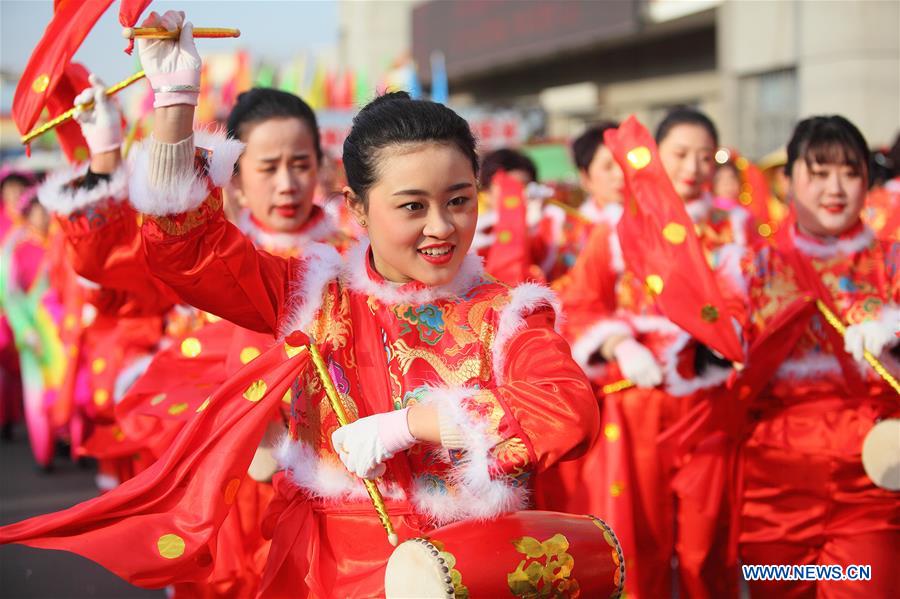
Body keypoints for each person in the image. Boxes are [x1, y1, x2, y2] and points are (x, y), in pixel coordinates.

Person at [0, 12, 599, 598]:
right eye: (412, 206)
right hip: (324, 567)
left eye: (459, 200)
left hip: (463, 571)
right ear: (357, 210)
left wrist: (409, 424)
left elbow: (567, 411)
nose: (441, 226)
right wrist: (176, 104)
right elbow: (187, 253)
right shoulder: (312, 292)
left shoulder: (508, 312)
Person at [550, 108, 748, 598]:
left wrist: (726, 339)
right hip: (635, 405)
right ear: (655, 156)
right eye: (681, 154)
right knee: (638, 544)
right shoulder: (619, 228)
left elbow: (752, 303)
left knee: (707, 546)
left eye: (706, 156)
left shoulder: (735, 229)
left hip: (706, 408)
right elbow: (579, 303)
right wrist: (619, 341)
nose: (694, 167)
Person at [737, 115, 899, 597]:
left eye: (850, 173)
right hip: (773, 487)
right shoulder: (751, 267)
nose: (836, 188)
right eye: (819, 172)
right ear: (788, 181)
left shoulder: (891, 262)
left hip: (872, 478)